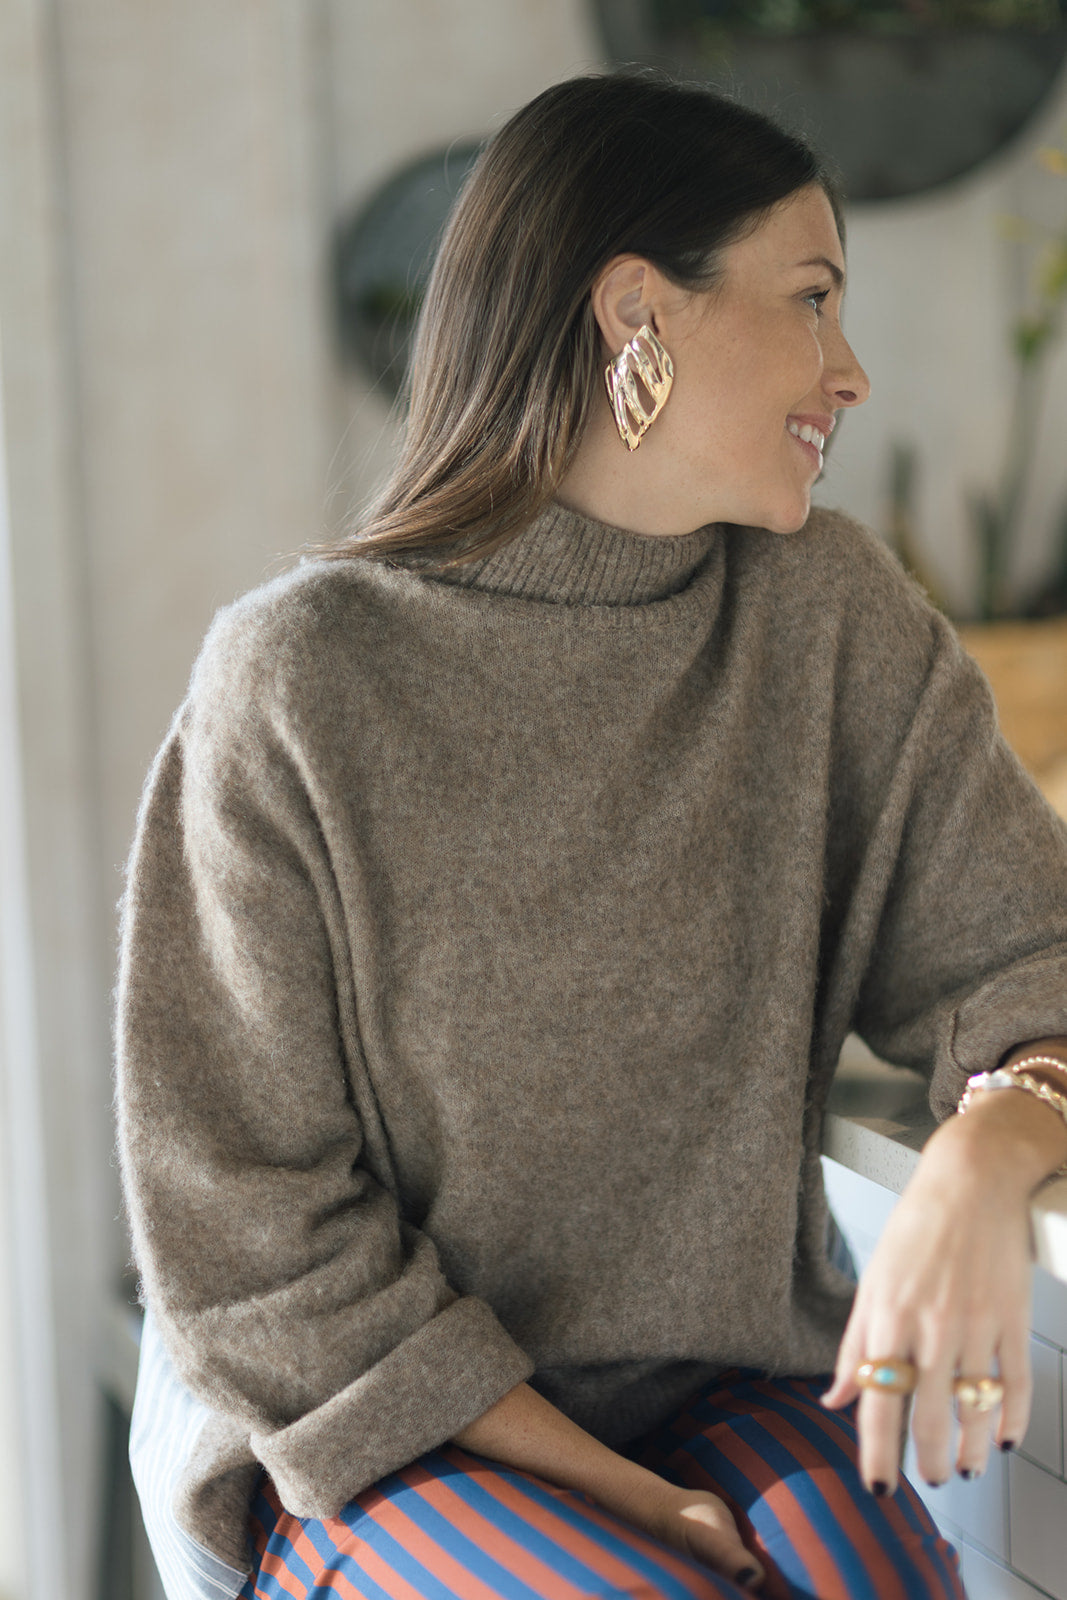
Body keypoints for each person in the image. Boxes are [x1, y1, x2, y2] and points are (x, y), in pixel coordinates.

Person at [117, 71, 1067, 1600]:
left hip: (734, 1387)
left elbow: (1032, 950)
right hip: (390, 1431)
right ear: (640, 311)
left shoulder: (825, 617)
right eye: (813, 299)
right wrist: (624, 1497)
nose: (853, 373)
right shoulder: (301, 677)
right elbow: (253, 1239)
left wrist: (991, 1148)